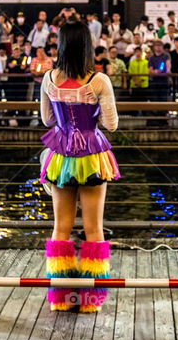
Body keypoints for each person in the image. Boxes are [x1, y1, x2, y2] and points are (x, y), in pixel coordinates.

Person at [39, 21, 119, 313]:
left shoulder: (48, 79)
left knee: (60, 227)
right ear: (87, 45)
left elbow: (48, 120)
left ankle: (60, 298)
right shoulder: (99, 81)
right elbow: (112, 124)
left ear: (60, 45)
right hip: (92, 155)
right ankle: (90, 300)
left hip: (61, 155)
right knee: (93, 229)